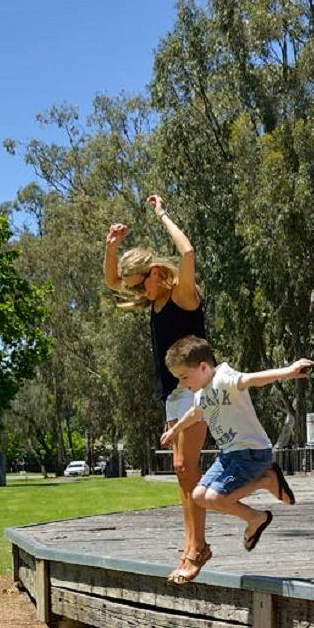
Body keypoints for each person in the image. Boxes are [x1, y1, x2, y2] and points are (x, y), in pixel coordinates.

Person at [104, 196, 210, 583]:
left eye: (140, 284)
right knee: (181, 474)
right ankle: (190, 545)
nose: (138, 293)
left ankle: (197, 548)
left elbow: (188, 250)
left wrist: (162, 213)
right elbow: (112, 280)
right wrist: (112, 246)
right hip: (171, 391)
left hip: (196, 387)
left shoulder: (182, 293)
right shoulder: (154, 299)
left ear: (153, 273)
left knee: (186, 466)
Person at [159, 335, 308, 553]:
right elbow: (195, 413)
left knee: (215, 497)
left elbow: (252, 379)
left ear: (202, 367)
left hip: (252, 453)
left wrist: (289, 371)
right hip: (229, 455)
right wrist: (174, 430)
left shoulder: (223, 378)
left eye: (184, 377)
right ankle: (256, 518)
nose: (182, 384)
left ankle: (265, 480)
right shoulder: (201, 391)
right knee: (199, 496)